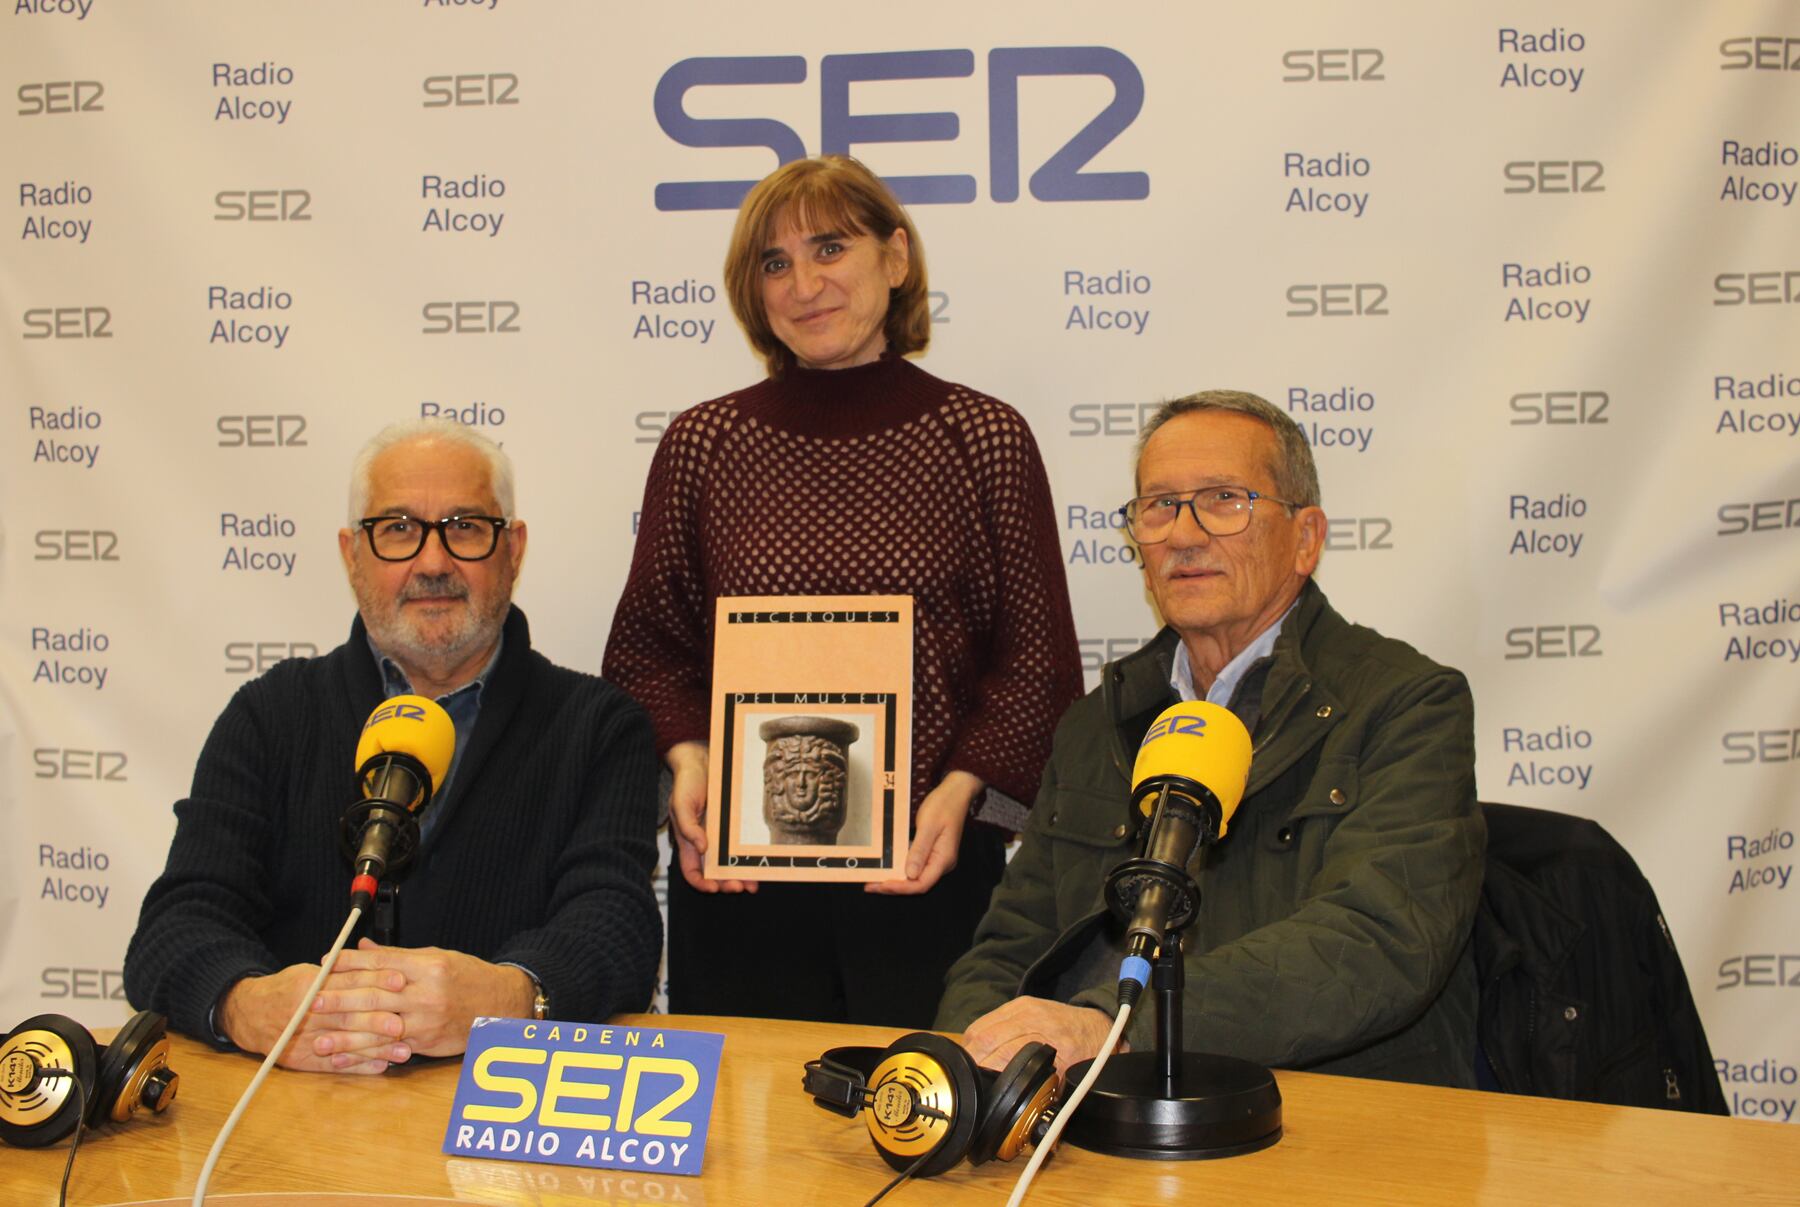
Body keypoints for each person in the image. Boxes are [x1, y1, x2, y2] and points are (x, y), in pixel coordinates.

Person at [603, 155, 1083, 1026]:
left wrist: (966, 788)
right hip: (741, 876)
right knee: (751, 1149)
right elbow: (648, 649)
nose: (804, 283)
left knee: (928, 1136)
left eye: (831, 248)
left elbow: (1035, 657)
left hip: (927, 869)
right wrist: (688, 758)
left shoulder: (983, 438)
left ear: (895, 258)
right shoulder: (704, 444)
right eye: (775, 262)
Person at [936, 391, 1486, 1087]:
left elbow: (1379, 941)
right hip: (1090, 1115)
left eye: (1225, 499)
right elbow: (1008, 946)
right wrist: (971, 1074)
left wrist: (1114, 1024)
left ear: (1306, 537)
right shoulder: (1097, 722)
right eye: (1159, 506)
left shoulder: (1403, 702)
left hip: (1313, 1113)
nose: (1184, 534)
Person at [124, 420, 661, 1073]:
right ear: (352, 555)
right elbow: (177, 922)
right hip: (293, 1125)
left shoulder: (600, 727)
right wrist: (247, 1004)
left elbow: (617, 922)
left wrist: (513, 994)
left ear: (513, 550)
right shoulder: (269, 715)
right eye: (399, 529)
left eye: (464, 526)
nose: (433, 562)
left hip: (505, 1130)